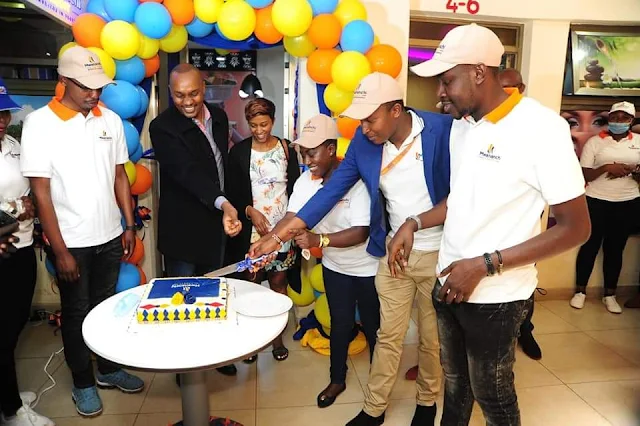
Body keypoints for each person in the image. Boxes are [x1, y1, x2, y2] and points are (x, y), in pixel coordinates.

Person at [390, 24, 590, 425]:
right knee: (454, 386)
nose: (440, 93)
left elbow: (576, 228)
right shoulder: (462, 126)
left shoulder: (541, 128)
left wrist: (484, 265)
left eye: (448, 81)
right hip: (448, 283)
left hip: (497, 296)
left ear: (479, 72)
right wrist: (413, 222)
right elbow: (461, 198)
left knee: (493, 397)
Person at [250, 72, 454, 426]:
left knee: (430, 337)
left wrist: (416, 223)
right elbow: (328, 193)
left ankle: (426, 402)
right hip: (394, 254)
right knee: (388, 337)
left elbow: (463, 195)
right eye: (360, 121)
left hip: (438, 252)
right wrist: (276, 238)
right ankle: (374, 409)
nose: (364, 128)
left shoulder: (443, 130)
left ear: (395, 110)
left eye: (370, 119)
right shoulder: (365, 142)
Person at [20, 46, 144, 417]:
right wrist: (59, 251)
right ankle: (82, 382)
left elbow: (120, 176)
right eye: (85, 86)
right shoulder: (40, 124)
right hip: (71, 242)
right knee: (76, 314)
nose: (94, 93)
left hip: (110, 236)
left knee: (105, 308)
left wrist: (128, 224)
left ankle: (107, 369)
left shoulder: (110, 120)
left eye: (98, 87)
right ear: (63, 80)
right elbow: (41, 192)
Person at [269, 114, 381, 407]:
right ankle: (337, 379)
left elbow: (361, 231)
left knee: (373, 327)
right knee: (340, 324)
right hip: (334, 267)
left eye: (313, 153)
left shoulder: (356, 180)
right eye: (303, 153)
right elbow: (291, 218)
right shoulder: (306, 181)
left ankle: (379, 383)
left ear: (331, 149)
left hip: (367, 268)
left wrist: (319, 240)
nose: (307, 160)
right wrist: (268, 242)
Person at [150, 63, 242, 377]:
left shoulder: (218, 117)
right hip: (183, 228)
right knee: (183, 298)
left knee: (215, 291)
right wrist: (224, 203)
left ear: (203, 89)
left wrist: (232, 206)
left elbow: (221, 164)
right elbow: (187, 172)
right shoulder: (162, 127)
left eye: (193, 93)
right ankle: (186, 367)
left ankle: (217, 355)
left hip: (216, 223)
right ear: (170, 93)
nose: (187, 101)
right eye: (179, 95)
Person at [225, 98, 299, 362]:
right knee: (252, 284)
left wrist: (293, 225)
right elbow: (232, 194)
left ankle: (277, 337)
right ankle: (253, 341)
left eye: (264, 124)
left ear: (273, 121)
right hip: (253, 233)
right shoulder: (239, 152)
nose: (259, 130)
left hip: (283, 231)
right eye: (254, 125)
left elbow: (296, 189)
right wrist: (250, 211)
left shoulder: (286, 149)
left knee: (278, 283)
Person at [0, 80, 55, 426]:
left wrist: (30, 204)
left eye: (4, 112)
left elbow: (30, 188)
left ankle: (6, 391)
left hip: (20, 247)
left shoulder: (14, 146)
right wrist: (12, 208)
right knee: (2, 331)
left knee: (16, 321)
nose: (1, 120)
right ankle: (11, 410)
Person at [570, 101, 640, 314]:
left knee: (615, 249)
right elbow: (585, 174)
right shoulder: (595, 142)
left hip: (627, 201)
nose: (619, 121)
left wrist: (633, 171)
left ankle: (610, 295)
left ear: (631, 120)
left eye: (624, 118)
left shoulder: (638, 141)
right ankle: (580, 292)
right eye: (615, 117)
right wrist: (607, 167)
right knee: (589, 246)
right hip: (596, 200)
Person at [497, 68, 542, 360]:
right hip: (490, 223)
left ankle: (525, 330)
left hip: (523, 224)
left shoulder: (535, 124)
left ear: (521, 88)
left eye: (510, 88)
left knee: (524, 281)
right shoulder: (482, 123)